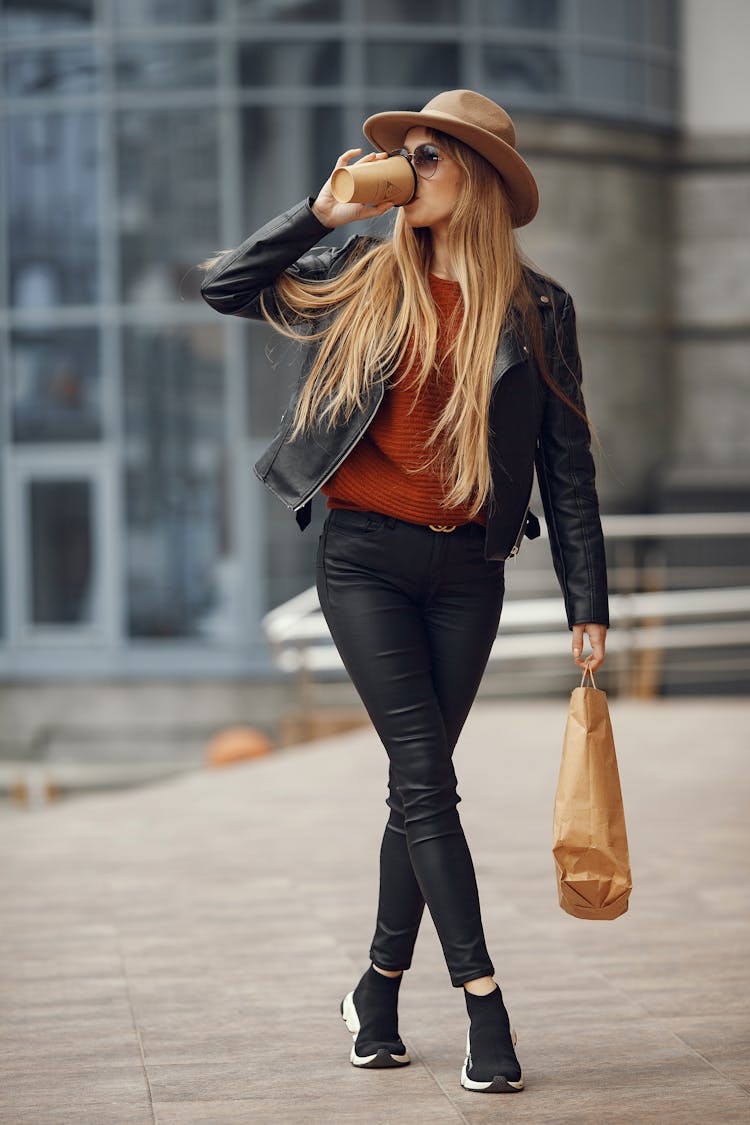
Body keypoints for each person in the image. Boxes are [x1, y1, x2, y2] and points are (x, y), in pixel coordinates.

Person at [199, 89, 609, 1095]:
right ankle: (485, 1005)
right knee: (428, 781)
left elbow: (569, 465)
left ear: (476, 178)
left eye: (430, 155)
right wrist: (320, 213)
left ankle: (377, 991)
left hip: (470, 572)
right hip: (365, 563)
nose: (409, 169)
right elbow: (223, 286)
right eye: (408, 153)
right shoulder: (363, 270)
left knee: (412, 792)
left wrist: (586, 604)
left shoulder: (537, 309)